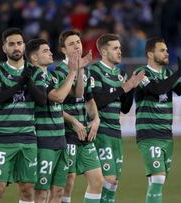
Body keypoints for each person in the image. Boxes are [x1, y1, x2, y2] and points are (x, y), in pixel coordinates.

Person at [0, 27, 47, 203]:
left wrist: (28, 81)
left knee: (27, 190)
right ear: (4, 48)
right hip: (4, 139)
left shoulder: (35, 72)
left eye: (19, 43)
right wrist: (20, 83)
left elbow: (42, 100)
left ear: (24, 46)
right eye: (11, 44)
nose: (16, 47)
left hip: (28, 139)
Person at [25, 38, 89, 203]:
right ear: (34, 58)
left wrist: (79, 70)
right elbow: (59, 97)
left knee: (59, 191)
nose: (51, 52)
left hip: (60, 139)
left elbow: (78, 94)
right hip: (44, 142)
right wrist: (73, 71)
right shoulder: (34, 76)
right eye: (45, 51)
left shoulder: (51, 77)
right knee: (41, 193)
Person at [134, 37, 181, 203]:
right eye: (162, 50)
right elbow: (156, 89)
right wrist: (179, 72)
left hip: (166, 135)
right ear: (150, 54)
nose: (166, 53)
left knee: (156, 180)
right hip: (148, 134)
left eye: (167, 50)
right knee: (158, 178)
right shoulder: (140, 73)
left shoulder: (167, 74)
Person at [89, 33, 145, 203]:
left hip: (115, 132)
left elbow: (125, 108)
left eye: (120, 48)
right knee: (108, 179)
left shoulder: (121, 74)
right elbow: (96, 101)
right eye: (115, 48)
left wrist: (132, 87)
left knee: (113, 183)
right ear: (104, 52)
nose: (120, 51)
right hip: (101, 131)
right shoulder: (95, 71)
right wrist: (123, 88)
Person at [54, 30, 104, 203]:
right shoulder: (58, 72)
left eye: (78, 42)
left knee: (98, 181)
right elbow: (53, 105)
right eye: (71, 44)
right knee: (68, 183)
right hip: (66, 134)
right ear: (63, 50)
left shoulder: (86, 70)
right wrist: (73, 121)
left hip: (84, 132)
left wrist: (96, 119)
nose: (76, 46)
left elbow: (86, 98)